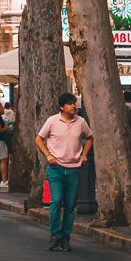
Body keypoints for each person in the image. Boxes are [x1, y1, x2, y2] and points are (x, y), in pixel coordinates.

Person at [35, 93, 93, 252]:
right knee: (56, 201)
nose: (73, 106)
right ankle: (54, 235)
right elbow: (39, 139)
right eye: (69, 104)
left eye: (74, 103)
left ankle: (65, 237)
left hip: (74, 168)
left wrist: (84, 155)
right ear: (62, 107)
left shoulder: (80, 122)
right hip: (56, 168)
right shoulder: (52, 121)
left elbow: (89, 137)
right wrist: (47, 155)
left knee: (69, 205)